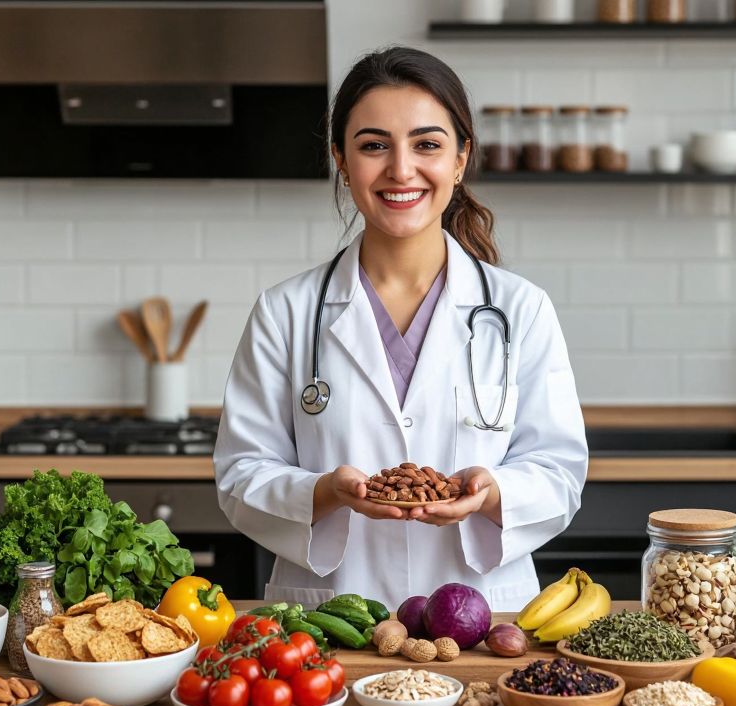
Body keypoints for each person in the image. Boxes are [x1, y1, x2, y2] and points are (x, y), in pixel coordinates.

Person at [215, 47, 587, 611]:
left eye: (427, 144)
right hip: (330, 625)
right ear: (341, 159)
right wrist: (323, 492)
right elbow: (241, 475)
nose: (401, 169)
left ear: (461, 159)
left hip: (484, 623)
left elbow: (559, 471)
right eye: (373, 145)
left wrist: (492, 493)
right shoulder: (285, 312)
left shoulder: (520, 309)